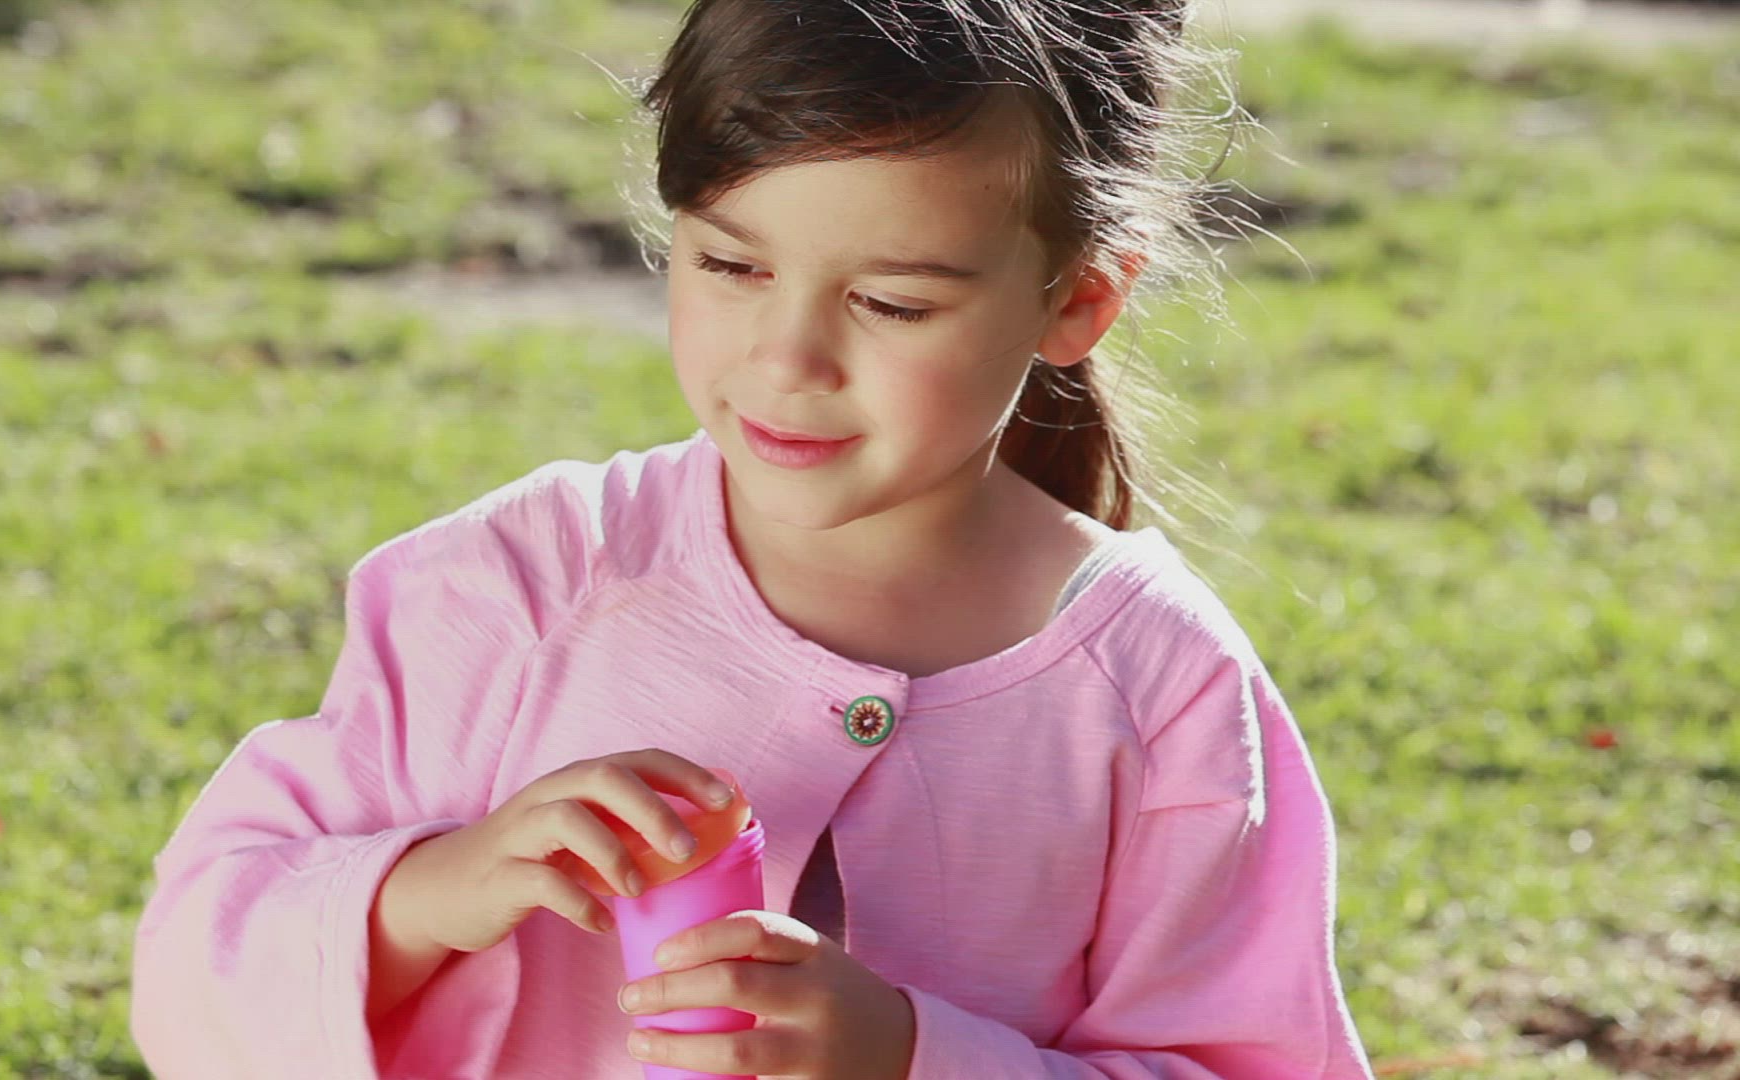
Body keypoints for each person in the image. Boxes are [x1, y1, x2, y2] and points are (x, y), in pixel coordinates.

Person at [130, 0, 1379, 1076]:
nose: (787, 362)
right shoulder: (523, 586)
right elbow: (196, 974)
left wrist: (909, 1055)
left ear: (1080, 299)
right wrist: (428, 894)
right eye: (730, 267)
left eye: (892, 303)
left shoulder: (1161, 691)